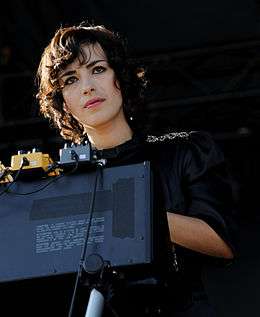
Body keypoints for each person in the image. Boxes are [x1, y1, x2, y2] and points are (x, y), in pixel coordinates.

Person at [36, 22, 237, 316]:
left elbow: (221, 243)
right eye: (70, 80)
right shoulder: (55, 183)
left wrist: (132, 213)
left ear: (121, 75)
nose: (87, 86)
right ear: (63, 103)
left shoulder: (183, 152)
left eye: (98, 69)